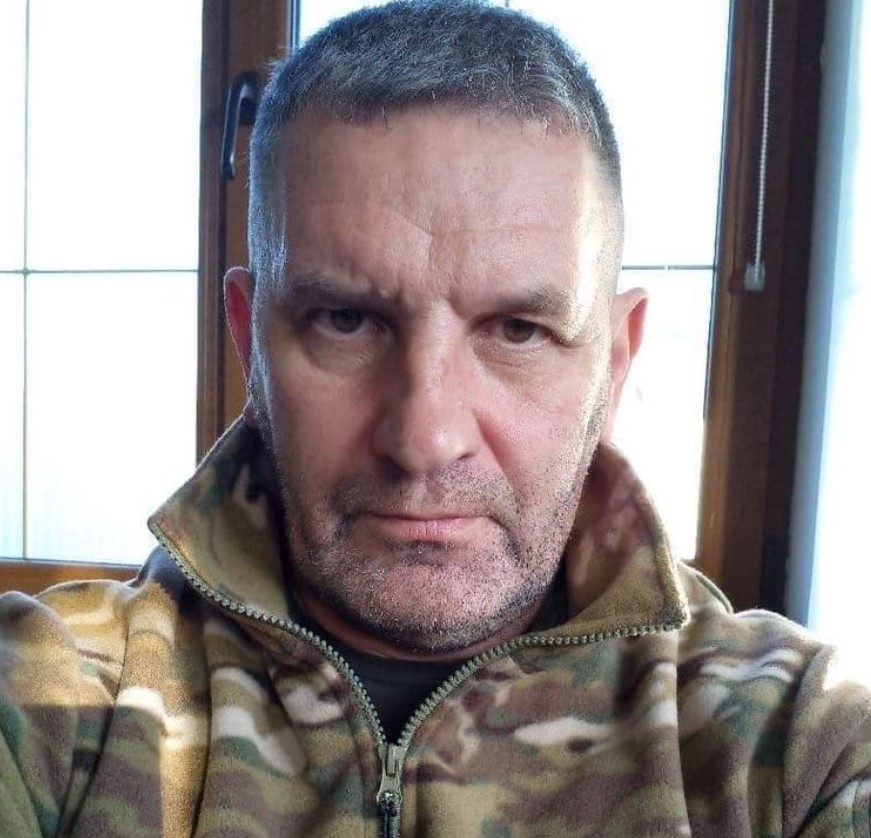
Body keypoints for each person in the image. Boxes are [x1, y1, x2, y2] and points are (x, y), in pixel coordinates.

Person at [2, 1, 870, 835]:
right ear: (248, 340)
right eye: (346, 321)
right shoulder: (53, 703)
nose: (425, 440)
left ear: (612, 362)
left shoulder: (797, 745)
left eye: (517, 330)